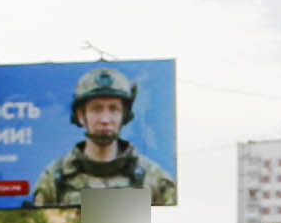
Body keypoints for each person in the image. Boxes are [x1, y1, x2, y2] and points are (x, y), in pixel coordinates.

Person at [30, 65, 178, 208]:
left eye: (114, 109)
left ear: (124, 116)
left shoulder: (153, 179)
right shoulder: (55, 179)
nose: (105, 119)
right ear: (81, 116)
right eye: (96, 109)